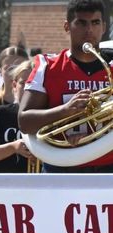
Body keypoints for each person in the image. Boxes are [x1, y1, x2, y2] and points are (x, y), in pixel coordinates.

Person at [19, 0, 113, 173]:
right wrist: (65, 110)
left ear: (104, 27)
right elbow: (24, 121)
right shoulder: (48, 66)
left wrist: (94, 137)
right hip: (62, 168)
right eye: (81, 23)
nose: (89, 30)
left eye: (95, 23)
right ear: (67, 26)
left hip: (109, 169)